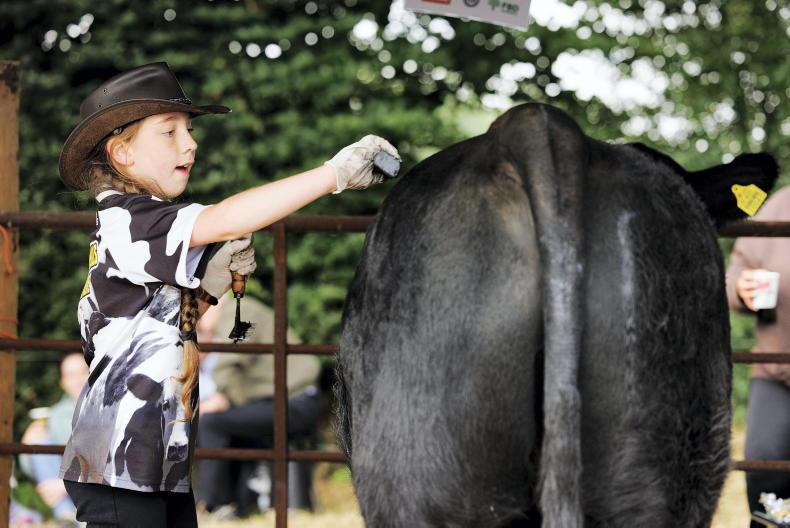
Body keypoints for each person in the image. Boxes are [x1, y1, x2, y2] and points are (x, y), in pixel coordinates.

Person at [56, 61, 399, 528]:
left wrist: (211, 286)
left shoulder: (137, 226)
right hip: (120, 462)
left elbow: (153, 328)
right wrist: (333, 174)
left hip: (150, 462)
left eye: (189, 129)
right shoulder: (131, 220)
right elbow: (224, 218)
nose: (190, 143)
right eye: (169, 131)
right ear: (122, 153)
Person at [194, 294, 322, 517]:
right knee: (223, 424)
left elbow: (233, 357)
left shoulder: (241, 312)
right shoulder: (239, 312)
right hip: (286, 400)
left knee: (212, 423)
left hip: (295, 401)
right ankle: (235, 506)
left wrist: (221, 395)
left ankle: (210, 505)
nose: (198, 318)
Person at [726, 185, 790, 523]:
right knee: (765, 471)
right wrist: (741, 287)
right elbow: (735, 273)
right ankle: (774, 523)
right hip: (776, 371)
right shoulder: (781, 205)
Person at [17, 352, 88, 524]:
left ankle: (72, 519)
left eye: (83, 372)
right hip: (70, 490)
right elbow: (33, 468)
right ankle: (66, 517)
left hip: (95, 486)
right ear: (62, 382)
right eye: (71, 375)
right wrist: (27, 447)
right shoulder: (55, 415)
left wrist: (67, 484)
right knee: (41, 441)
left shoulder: (112, 409)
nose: (78, 380)